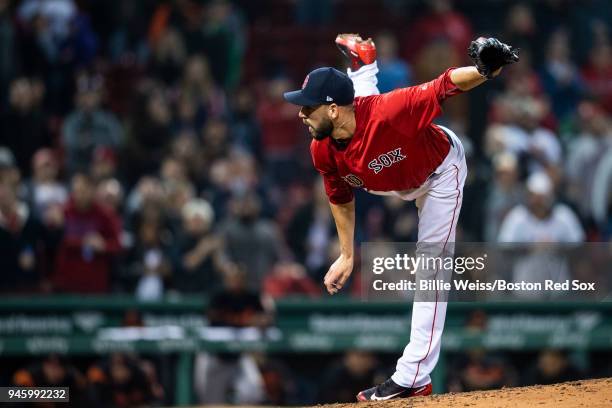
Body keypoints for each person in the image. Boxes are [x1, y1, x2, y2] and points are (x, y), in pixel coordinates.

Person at [283, 34, 518, 401]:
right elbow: (339, 195)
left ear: (329, 109)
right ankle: (363, 63)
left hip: (439, 171)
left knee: (431, 267)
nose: (300, 113)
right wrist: (347, 254)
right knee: (359, 106)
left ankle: (413, 376)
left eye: (308, 107)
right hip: (390, 179)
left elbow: (444, 86)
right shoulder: (322, 148)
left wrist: (485, 71)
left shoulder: (394, 109)